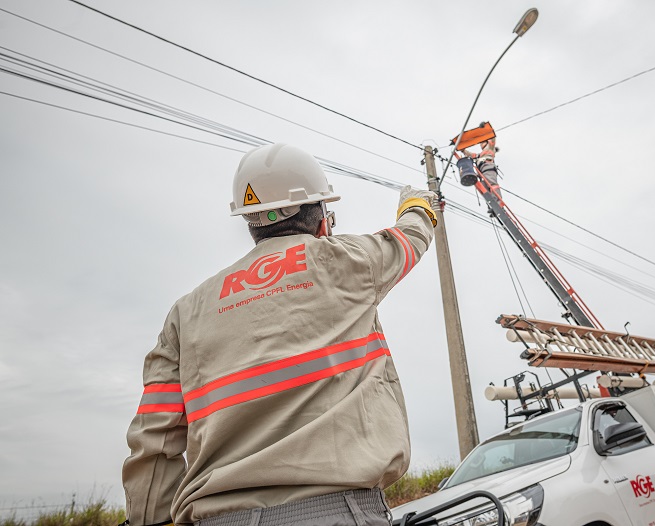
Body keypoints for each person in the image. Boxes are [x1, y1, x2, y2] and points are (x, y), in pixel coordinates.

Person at [121, 143, 437, 526]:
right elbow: (410, 238)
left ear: (251, 223)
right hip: (335, 513)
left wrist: (151, 519)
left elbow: (153, 433)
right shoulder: (346, 261)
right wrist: (418, 203)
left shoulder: (186, 312)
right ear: (321, 216)